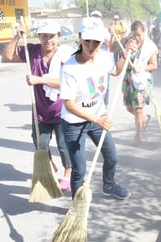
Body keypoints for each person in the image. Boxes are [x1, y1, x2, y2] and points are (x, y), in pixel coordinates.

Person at [59, 17, 131, 200]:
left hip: (97, 119)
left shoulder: (104, 58)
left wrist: (126, 53)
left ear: (102, 42)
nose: (91, 45)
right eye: (87, 40)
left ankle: (109, 185)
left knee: (112, 157)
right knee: (79, 171)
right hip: (74, 124)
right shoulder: (70, 67)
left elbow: (116, 71)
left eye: (96, 41)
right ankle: (76, 207)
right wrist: (96, 119)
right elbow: (69, 103)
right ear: (80, 37)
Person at [1, 19, 73, 191]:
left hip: (63, 111)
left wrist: (39, 80)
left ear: (58, 36)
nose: (48, 40)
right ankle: (48, 165)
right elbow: (7, 56)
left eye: (51, 36)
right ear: (39, 37)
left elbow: (68, 82)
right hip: (40, 111)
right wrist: (16, 37)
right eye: (44, 36)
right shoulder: (31, 51)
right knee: (40, 145)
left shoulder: (67, 55)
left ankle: (68, 174)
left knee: (64, 146)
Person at [119, 20, 158, 146]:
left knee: (138, 110)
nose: (137, 38)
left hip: (142, 80)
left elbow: (154, 65)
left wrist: (141, 68)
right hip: (129, 79)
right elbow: (113, 49)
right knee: (130, 108)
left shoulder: (150, 46)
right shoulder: (129, 42)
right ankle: (144, 119)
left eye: (139, 35)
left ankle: (138, 135)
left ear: (144, 33)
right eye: (134, 34)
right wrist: (126, 46)